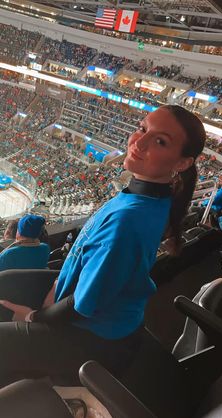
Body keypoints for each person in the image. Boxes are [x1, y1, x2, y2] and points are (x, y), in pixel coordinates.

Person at [0, 105, 206, 386]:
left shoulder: (128, 220)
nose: (139, 142)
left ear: (182, 163)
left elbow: (84, 304)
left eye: (160, 141)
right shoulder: (145, 197)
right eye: (143, 128)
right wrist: (56, 286)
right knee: (5, 283)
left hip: (94, 339)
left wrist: (34, 316)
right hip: (94, 308)